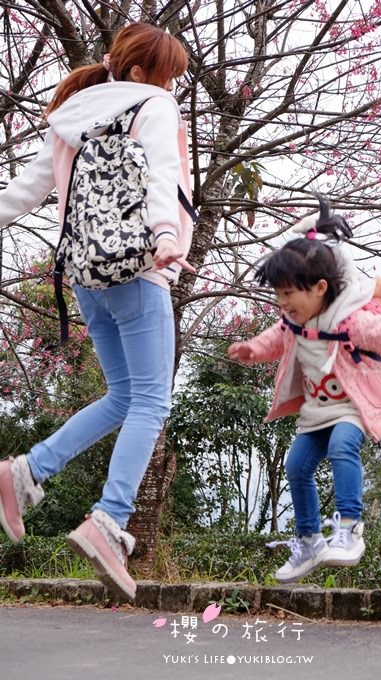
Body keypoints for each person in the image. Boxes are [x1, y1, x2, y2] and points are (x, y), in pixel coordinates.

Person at [0, 23, 195, 601]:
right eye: (168, 76)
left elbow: (26, 190)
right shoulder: (152, 105)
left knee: (123, 397)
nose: (171, 86)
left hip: (87, 275)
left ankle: (24, 474)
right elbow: (161, 173)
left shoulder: (74, 116)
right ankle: (109, 521)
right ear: (140, 73)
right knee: (152, 401)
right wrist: (164, 233)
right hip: (138, 269)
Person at [228, 211, 381, 584]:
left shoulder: (352, 322)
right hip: (318, 410)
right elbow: (276, 337)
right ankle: (309, 539)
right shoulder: (293, 321)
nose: (282, 303)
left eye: (288, 294)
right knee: (296, 466)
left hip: (353, 405)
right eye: (278, 295)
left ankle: (349, 528)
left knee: (342, 446)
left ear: (318, 288)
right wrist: (253, 349)